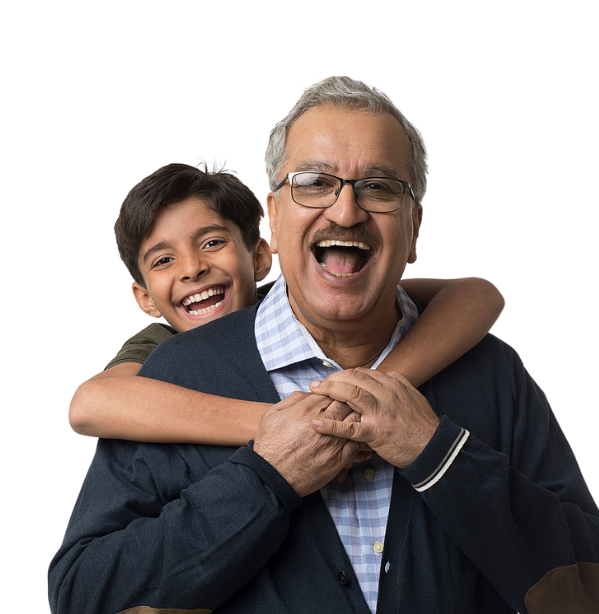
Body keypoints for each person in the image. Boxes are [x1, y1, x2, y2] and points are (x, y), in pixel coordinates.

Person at [49, 76, 599, 614]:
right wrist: (266, 479)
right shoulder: (175, 374)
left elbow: (590, 599)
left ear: (413, 226)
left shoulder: (490, 373)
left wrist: (437, 454)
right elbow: (86, 610)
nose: (345, 209)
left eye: (378, 187)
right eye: (314, 182)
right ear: (272, 213)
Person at [66, 159, 504, 446]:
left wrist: (364, 396)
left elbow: (477, 295)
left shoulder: (302, 300)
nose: (192, 268)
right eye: (164, 260)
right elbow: (90, 405)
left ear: (261, 256)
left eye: (213, 242)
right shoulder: (159, 344)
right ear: (144, 298)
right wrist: (293, 425)